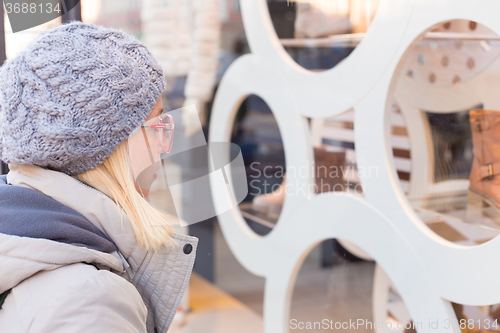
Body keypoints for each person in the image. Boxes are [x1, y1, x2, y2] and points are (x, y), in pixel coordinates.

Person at [0, 22, 198, 333]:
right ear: (107, 148)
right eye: (156, 126)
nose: (164, 145)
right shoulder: (90, 301)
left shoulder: (18, 230)